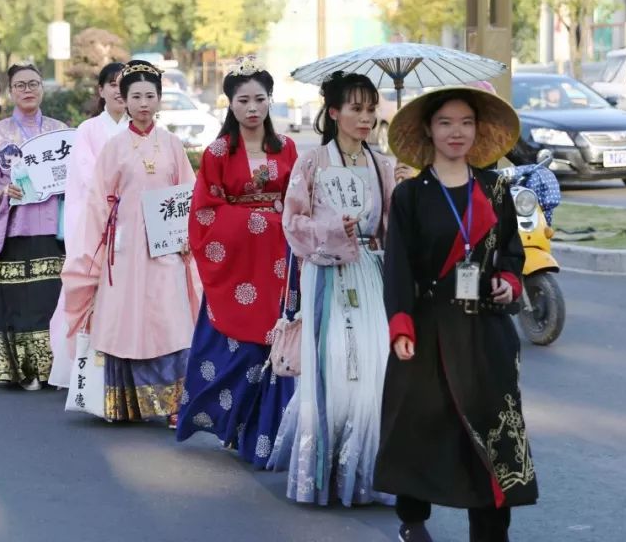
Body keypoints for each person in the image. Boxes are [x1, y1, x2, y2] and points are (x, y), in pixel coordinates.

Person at [375, 86, 536, 542]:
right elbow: (398, 267)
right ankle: (413, 521)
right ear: (428, 129)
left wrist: (509, 281)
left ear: (478, 129)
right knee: (419, 427)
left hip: (485, 331)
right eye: (445, 122)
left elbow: (512, 252)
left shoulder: (496, 188)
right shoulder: (410, 196)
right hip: (428, 331)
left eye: (466, 122)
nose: (456, 132)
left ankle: (491, 529)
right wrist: (400, 325)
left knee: (491, 430)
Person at [267, 71, 396, 506]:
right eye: (356, 109)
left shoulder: (382, 164)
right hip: (326, 272)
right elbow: (292, 222)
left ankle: (362, 473)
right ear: (334, 112)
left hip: (371, 273)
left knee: (372, 373)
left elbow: (391, 226)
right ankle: (323, 472)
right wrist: (331, 228)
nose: (366, 118)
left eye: (371, 109)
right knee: (335, 369)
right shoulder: (313, 162)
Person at [175, 58, 299, 466]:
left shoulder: (289, 148)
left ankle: (268, 434)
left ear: (270, 101)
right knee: (239, 349)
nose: (252, 108)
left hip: (279, 261)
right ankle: (229, 425)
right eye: (243, 100)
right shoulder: (217, 152)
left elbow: (299, 199)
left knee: (279, 344)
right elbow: (206, 211)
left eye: (260, 99)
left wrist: (281, 221)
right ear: (229, 104)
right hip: (237, 262)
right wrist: (257, 220)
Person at [62, 61, 200, 425]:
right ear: (123, 99)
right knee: (126, 319)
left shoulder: (171, 144)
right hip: (123, 249)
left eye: (150, 96)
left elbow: (188, 195)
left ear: (159, 100)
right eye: (135, 96)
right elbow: (97, 200)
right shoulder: (114, 146)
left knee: (170, 318)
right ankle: (125, 401)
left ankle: (174, 403)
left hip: (165, 246)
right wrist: (95, 247)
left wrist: (187, 235)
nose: (142, 103)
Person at [0, 64, 66, 390]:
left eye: (34, 84)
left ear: (42, 88)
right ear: (10, 92)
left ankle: (54, 367)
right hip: (12, 227)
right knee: (19, 300)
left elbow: (79, 174)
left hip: (52, 227)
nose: (28, 90)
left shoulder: (59, 131)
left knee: (50, 299)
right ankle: (24, 369)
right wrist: (2, 189)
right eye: (21, 85)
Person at [50, 61, 128, 388]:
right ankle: (84, 370)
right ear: (101, 90)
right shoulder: (88, 130)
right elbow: (88, 175)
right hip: (97, 222)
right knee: (91, 293)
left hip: (132, 224)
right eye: (112, 84)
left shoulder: (141, 129)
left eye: (124, 84)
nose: (118, 90)